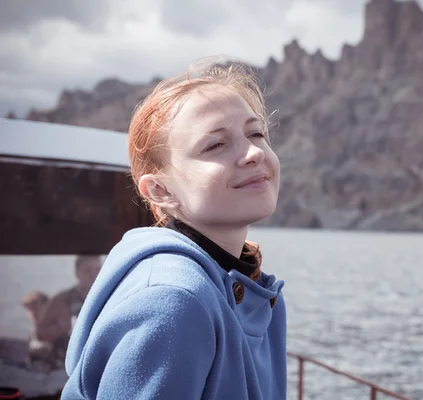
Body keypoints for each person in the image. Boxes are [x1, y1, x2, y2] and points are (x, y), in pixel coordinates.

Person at [61, 59, 286, 399]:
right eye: (215, 145)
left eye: (256, 133)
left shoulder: (258, 291)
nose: (254, 152)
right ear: (160, 191)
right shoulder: (174, 300)